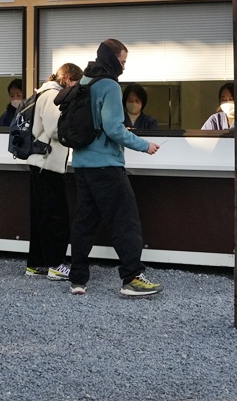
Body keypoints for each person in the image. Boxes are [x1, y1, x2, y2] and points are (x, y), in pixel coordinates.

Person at [68, 39, 163, 297]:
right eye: (122, 61)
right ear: (111, 59)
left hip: (81, 164)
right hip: (107, 166)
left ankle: (77, 280)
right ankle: (132, 278)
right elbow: (113, 128)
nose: (123, 67)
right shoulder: (109, 85)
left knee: (84, 222)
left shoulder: (85, 81)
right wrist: (144, 145)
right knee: (125, 221)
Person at [26, 63, 83, 280]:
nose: (76, 88)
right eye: (76, 83)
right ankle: (56, 264)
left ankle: (36, 263)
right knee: (56, 216)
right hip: (47, 163)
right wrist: (79, 133)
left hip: (41, 163)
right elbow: (54, 130)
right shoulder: (52, 95)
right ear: (67, 79)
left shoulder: (44, 92)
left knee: (41, 216)